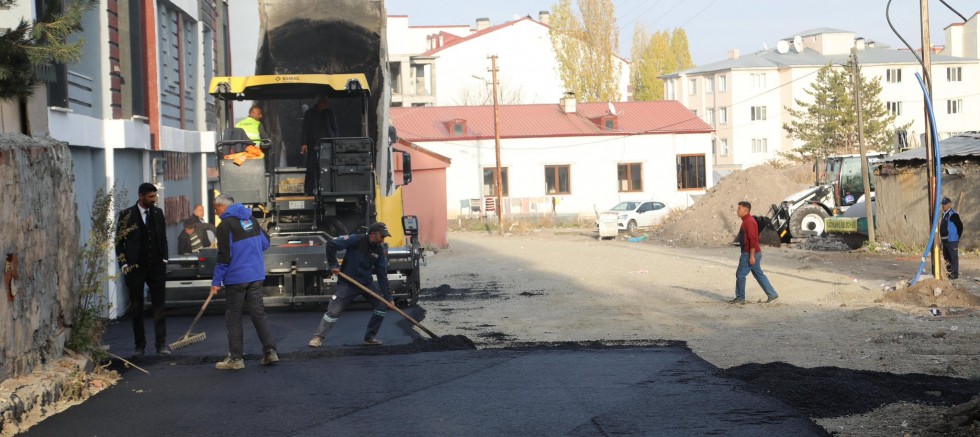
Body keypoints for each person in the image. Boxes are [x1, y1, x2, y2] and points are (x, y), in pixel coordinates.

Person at [210, 194, 278, 370]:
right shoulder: (251, 219)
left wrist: (216, 281)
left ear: (222, 207)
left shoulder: (225, 225)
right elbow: (265, 244)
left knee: (233, 317)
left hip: (236, 278)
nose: (216, 213)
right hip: (255, 275)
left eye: (216, 209)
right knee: (258, 314)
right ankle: (270, 352)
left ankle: (236, 359)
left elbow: (224, 256)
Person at [309, 222, 393, 348]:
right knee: (334, 310)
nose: (383, 239)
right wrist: (334, 265)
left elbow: (382, 275)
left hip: (366, 283)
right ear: (372, 234)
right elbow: (331, 244)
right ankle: (318, 337)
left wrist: (388, 298)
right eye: (382, 236)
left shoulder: (379, 250)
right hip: (348, 282)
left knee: (381, 306)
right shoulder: (356, 239)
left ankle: (369, 338)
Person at [115, 183, 170, 357]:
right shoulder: (126, 215)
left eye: (155, 197)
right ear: (141, 196)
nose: (154, 200)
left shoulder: (158, 213)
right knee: (136, 308)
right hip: (135, 268)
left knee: (159, 307)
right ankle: (140, 346)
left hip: (155, 266)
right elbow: (119, 242)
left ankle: (161, 345)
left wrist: (164, 259)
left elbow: (163, 237)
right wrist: (124, 264)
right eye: (151, 197)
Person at [731, 201, 779, 305]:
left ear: (745, 210)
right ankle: (772, 294)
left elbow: (753, 240)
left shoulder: (749, 221)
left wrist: (751, 256)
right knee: (758, 274)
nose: (737, 210)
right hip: (752, 252)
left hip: (750, 253)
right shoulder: (747, 221)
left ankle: (740, 298)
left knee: (740, 274)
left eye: (739, 209)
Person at [300, 94, 339, 194]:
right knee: (311, 168)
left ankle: (327, 190)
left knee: (327, 168)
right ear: (319, 102)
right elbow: (305, 129)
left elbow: (334, 127)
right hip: (313, 145)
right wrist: (304, 143)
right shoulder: (309, 113)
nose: (327, 104)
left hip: (327, 145)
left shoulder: (329, 113)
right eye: (324, 102)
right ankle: (308, 190)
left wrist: (336, 141)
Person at [940, 197, 964, 280]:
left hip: (952, 240)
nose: (944, 206)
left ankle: (954, 274)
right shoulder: (944, 214)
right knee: (947, 258)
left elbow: (960, 226)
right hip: (945, 241)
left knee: (953, 258)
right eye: (943, 204)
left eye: (945, 204)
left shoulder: (953, 214)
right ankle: (948, 273)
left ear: (950, 204)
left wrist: (957, 237)